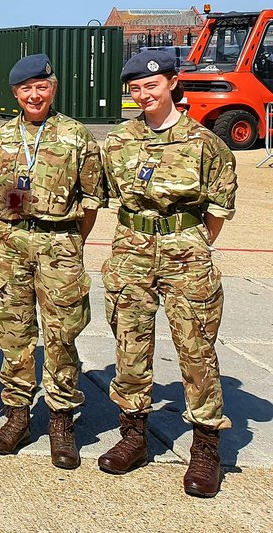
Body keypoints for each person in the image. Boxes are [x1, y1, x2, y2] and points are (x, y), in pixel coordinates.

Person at [99, 48, 237, 498]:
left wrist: (186, 241)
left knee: (196, 349)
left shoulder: (204, 144)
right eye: (135, 88)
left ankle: (204, 447)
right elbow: (103, 195)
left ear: (173, 83)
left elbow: (216, 212)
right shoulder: (118, 142)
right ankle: (134, 435)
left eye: (151, 86)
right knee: (130, 344)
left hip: (186, 251)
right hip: (130, 249)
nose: (143, 95)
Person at [0, 53, 104, 467]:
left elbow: (91, 199)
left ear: (53, 88)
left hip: (60, 244)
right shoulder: (0, 139)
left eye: (41, 87)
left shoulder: (76, 136)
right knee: (14, 335)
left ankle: (61, 421)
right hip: (10, 244)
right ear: (15, 93)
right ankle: (18, 416)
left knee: (62, 335)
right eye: (25, 89)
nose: (34, 95)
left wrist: (70, 242)